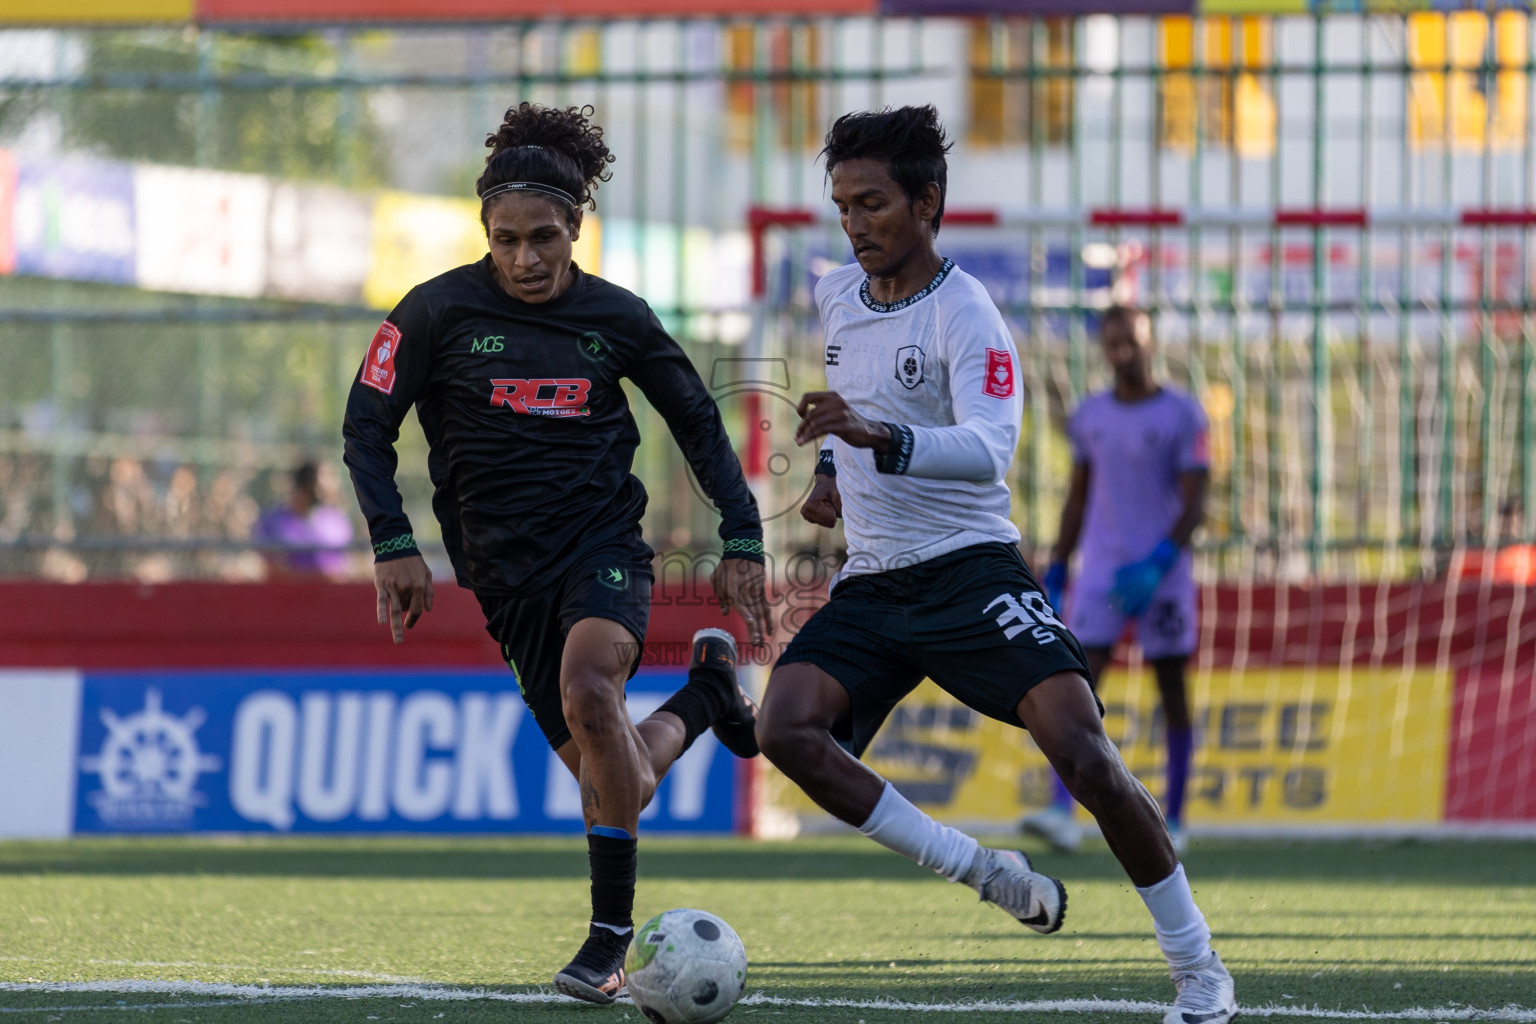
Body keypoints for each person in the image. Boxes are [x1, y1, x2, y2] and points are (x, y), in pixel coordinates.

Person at [756, 105, 1236, 1024]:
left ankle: (1200, 970)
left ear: (928, 203)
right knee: (785, 728)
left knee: (1085, 754)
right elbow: (850, 406)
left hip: (972, 568)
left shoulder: (968, 313)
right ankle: (982, 869)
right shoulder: (833, 298)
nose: (855, 224)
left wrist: (874, 436)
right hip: (876, 578)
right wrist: (829, 469)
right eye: (843, 205)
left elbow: (988, 449)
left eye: (874, 203)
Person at [342, 102, 772, 1006]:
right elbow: (365, 427)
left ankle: (609, 940)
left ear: (577, 229)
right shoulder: (432, 312)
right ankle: (706, 694)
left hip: (601, 549)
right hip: (503, 580)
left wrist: (740, 532)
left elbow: (695, 420)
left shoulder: (618, 318)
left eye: (544, 237)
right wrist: (393, 542)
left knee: (591, 694)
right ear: (484, 233)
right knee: (619, 777)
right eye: (506, 239)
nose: (525, 258)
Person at [1022, 306, 1209, 856]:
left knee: (1172, 688)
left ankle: (1176, 819)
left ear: (1150, 342)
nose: (1122, 351)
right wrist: (1058, 564)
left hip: (1163, 575)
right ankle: (1063, 812)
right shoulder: (1090, 416)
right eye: (1113, 343)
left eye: (1131, 341)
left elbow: (1197, 499)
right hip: (1101, 572)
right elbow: (1078, 495)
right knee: (1075, 686)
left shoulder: (1184, 415)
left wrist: (1160, 559)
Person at [251, 460, 355, 579]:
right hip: (288, 595)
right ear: (306, 485)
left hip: (330, 596)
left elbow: (345, 568)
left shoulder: (339, 522)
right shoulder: (272, 522)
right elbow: (268, 566)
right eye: (327, 478)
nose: (333, 486)